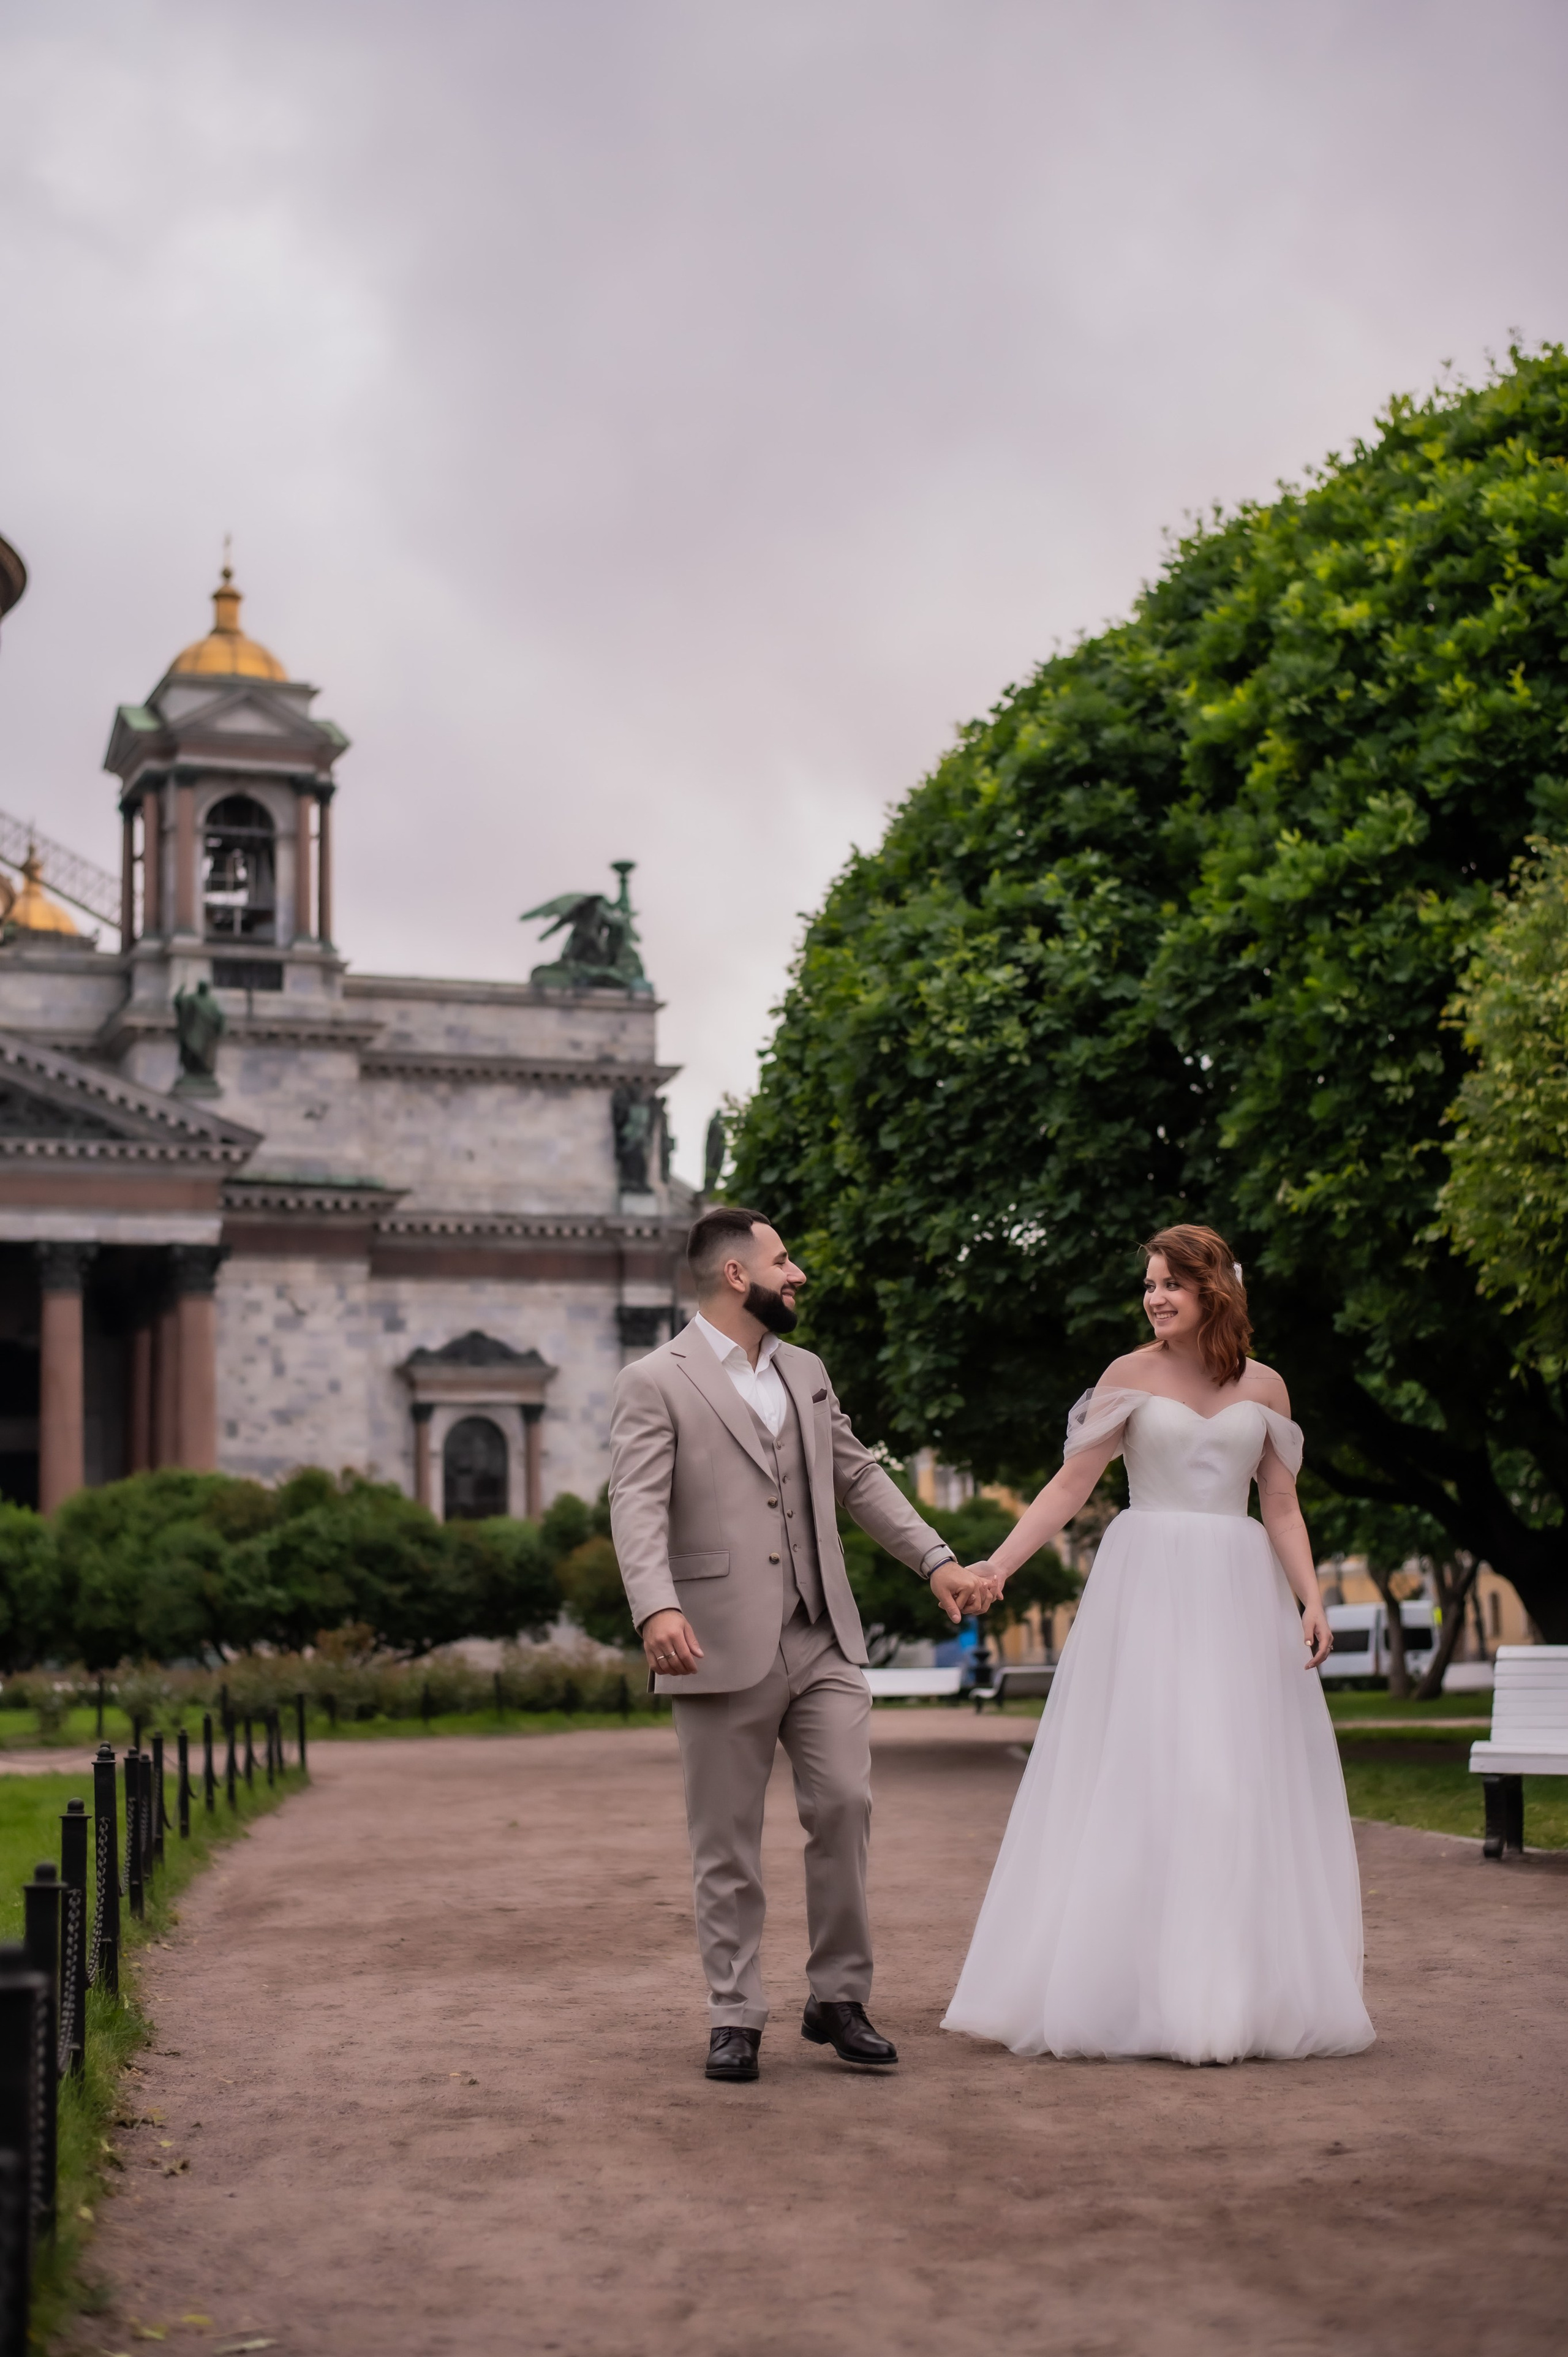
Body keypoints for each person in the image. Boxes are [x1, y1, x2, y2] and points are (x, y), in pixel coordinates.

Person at [944, 1224, 1374, 2065]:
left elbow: (1280, 1504)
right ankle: (1125, 1992)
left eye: (1171, 1283)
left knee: (1227, 1786)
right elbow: (1073, 1484)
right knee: (1150, 1779)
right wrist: (997, 1564)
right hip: (1146, 1595)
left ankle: (1223, 1997)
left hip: (1238, 1594)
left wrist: (1313, 1598)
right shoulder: (1126, 1377)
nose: (1154, 1297)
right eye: (1148, 1284)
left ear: (1215, 1289)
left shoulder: (1271, 1388)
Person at [610, 1205, 986, 2083]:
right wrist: (655, 1608)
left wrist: (935, 1560)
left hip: (821, 1637)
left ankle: (838, 1997)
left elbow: (858, 1474)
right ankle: (734, 2012)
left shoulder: (807, 1373)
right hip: (711, 1640)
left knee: (845, 1806)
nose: (799, 1273)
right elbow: (634, 1502)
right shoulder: (654, 1380)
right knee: (726, 1841)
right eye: (785, 1260)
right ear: (737, 1274)